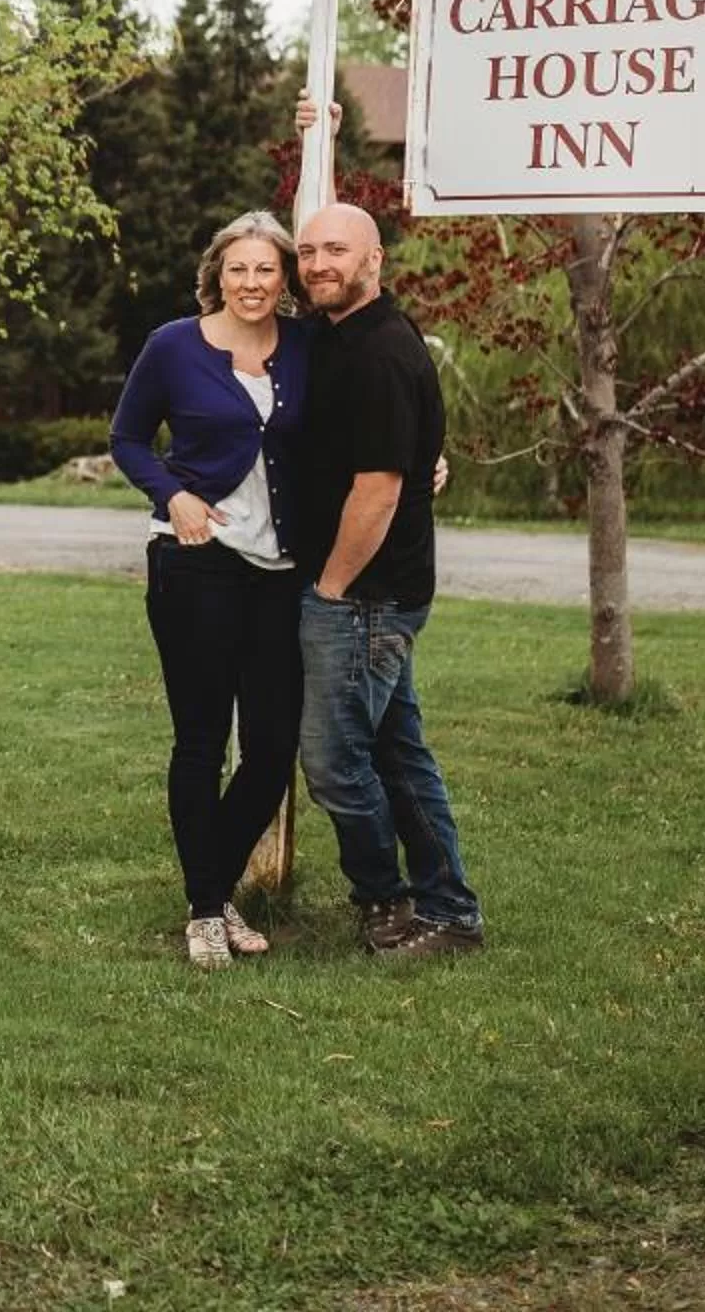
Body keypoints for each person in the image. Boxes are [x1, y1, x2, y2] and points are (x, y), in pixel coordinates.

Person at [112, 211, 315, 971]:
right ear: (217, 275)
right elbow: (127, 438)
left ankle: (212, 886)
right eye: (239, 270)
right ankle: (205, 911)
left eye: (266, 270)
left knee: (271, 746)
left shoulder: (305, 348)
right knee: (200, 740)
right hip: (194, 561)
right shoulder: (173, 346)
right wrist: (174, 495)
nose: (252, 283)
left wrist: (424, 456)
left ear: (283, 278)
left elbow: (359, 413)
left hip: (278, 570)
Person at [287, 201, 484, 959]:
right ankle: (451, 909)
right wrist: (322, 129)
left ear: (375, 262)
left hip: (365, 598)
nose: (318, 264)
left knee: (337, 765)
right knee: (398, 754)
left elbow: (378, 492)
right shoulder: (335, 335)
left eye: (336, 250)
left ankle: (389, 904)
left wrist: (330, 590)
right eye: (307, 252)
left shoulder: (380, 355)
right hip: (372, 595)